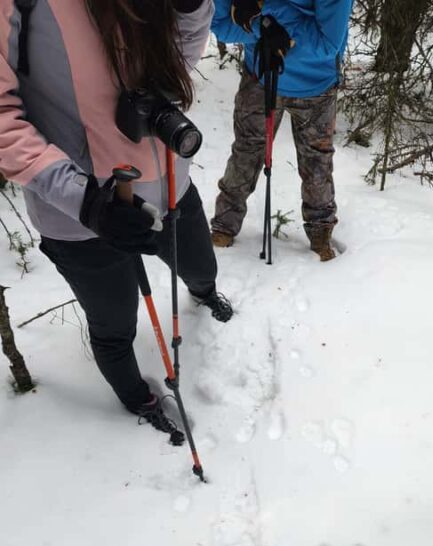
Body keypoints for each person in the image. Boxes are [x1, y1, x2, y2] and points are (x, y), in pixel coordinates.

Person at [0, 0, 232, 438]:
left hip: (168, 185)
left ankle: (205, 293)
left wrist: (189, 8)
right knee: (114, 322)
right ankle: (136, 397)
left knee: (201, 266)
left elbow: (179, 59)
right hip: (81, 215)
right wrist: (85, 200)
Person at [210, 0, 353, 262]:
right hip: (261, 74)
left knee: (317, 162)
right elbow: (219, 25)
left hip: (316, 86)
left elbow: (327, 43)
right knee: (246, 153)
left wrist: (266, 14)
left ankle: (320, 232)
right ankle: (224, 225)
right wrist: (262, 28)